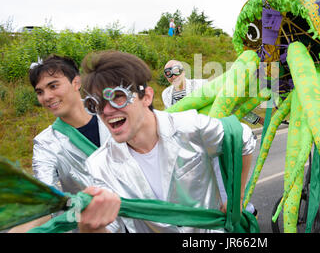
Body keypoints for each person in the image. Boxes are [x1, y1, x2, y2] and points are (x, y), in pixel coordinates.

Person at [77, 50, 256, 233]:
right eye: (95, 104)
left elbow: (243, 137)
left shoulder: (189, 127)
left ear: (146, 96)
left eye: (118, 96)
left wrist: (237, 198)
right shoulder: (99, 165)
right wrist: (89, 226)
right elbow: (111, 227)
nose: (106, 111)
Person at [9, 55, 111, 232]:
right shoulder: (45, 144)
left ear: (76, 83)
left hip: (146, 219)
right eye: (39, 92)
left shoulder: (113, 116)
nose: (47, 97)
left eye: (53, 86)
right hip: (97, 226)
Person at [161, 59, 261, 216]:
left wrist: (256, 120)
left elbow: (230, 102)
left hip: (210, 138)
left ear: (183, 70)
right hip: (189, 145)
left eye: (176, 70)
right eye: (168, 73)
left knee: (220, 178)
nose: (173, 76)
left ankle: (247, 211)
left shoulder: (201, 85)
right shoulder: (166, 94)